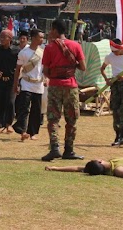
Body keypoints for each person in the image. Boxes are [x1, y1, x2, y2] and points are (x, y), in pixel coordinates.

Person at [41, 19, 86, 161]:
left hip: (54, 85)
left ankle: (54, 148)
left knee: (53, 119)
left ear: (55, 30)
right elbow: (83, 67)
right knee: (71, 119)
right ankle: (69, 149)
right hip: (71, 85)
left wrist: (55, 74)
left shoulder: (49, 48)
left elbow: (46, 71)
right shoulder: (75, 45)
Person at [12, 29, 45, 141]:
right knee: (24, 108)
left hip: (38, 84)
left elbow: (44, 68)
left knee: (36, 110)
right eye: (40, 37)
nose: (42, 39)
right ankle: (22, 131)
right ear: (34, 38)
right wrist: (15, 84)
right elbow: (18, 69)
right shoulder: (24, 52)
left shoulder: (42, 52)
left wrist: (47, 78)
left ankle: (32, 132)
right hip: (26, 83)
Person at [0, 29, 19, 133]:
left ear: (10, 39)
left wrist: (18, 79)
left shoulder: (16, 51)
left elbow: (20, 66)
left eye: (4, 37)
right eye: (0, 37)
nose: (1, 39)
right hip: (0, 81)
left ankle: (9, 124)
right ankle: (1, 124)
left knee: (10, 102)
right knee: (1, 102)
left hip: (12, 80)